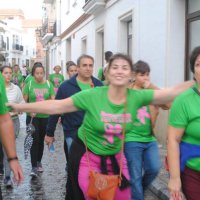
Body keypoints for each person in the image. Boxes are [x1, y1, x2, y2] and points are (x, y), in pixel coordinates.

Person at [7, 53, 194, 200]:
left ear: (130, 74)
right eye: (115, 67)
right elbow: (56, 105)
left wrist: (196, 78)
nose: (120, 71)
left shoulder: (136, 97)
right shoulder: (93, 94)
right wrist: (20, 106)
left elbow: (171, 93)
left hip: (117, 159)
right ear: (107, 72)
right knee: (92, 195)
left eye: (125, 68)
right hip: (88, 156)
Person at [45, 55, 102, 172]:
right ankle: (72, 189)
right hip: (73, 133)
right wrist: (49, 133)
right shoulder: (66, 87)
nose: (88, 68)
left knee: (94, 168)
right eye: (84, 65)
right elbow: (56, 109)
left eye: (90, 65)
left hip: (95, 134)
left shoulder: (99, 86)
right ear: (78, 67)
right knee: (76, 166)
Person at [124, 60, 169, 200]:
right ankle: (137, 193)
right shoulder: (127, 92)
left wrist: (152, 86)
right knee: (135, 175)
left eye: (147, 75)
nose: (145, 78)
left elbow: (167, 104)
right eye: (142, 75)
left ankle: (137, 191)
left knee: (154, 168)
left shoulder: (151, 93)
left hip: (149, 138)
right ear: (134, 75)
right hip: (131, 139)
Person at [167, 46, 200, 200]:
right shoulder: (183, 101)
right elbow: (173, 140)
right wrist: (175, 178)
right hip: (194, 173)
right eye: (199, 64)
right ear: (193, 70)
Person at [23, 62, 55, 177]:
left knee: (41, 141)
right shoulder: (29, 84)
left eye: (41, 73)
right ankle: (33, 167)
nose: (39, 75)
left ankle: (38, 162)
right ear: (33, 74)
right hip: (32, 117)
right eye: (37, 73)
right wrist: (29, 110)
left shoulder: (48, 84)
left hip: (45, 117)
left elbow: (53, 100)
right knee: (34, 140)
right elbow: (24, 101)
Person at [0, 72, 24, 198]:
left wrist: (13, 159)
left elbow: (4, 120)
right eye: (6, 73)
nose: (7, 75)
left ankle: (7, 175)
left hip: (12, 121)